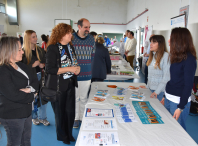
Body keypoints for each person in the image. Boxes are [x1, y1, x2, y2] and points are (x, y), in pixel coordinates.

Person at [46, 23, 80, 144]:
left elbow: (74, 63)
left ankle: (69, 133)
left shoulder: (70, 47)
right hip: (58, 86)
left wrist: (77, 68)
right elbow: (50, 69)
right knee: (60, 113)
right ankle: (62, 136)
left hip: (70, 83)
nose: (71, 35)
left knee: (70, 112)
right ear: (61, 35)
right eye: (69, 33)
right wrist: (70, 69)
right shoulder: (53, 48)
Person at [0, 37, 38, 145]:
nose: (22, 52)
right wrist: (33, 95)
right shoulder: (3, 70)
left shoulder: (21, 66)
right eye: (19, 49)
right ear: (9, 51)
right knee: (14, 143)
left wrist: (29, 89)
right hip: (13, 115)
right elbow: (14, 95)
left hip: (26, 112)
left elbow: (35, 81)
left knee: (26, 141)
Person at [164, 28, 197, 130]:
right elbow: (174, 80)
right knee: (168, 127)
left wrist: (180, 107)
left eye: (171, 38)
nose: (169, 40)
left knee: (178, 130)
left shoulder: (190, 59)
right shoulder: (176, 56)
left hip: (178, 102)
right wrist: (165, 96)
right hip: (169, 98)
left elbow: (188, 85)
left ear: (179, 40)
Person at [22, 30, 50, 126]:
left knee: (43, 97)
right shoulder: (23, 52)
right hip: (30, 78)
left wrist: (43, 65)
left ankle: (43, 117)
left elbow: (46, 61)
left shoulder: (40, 50)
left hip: (41, 77)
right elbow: (20, 67)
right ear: (28, 38)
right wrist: (31, 66)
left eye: (36, 36)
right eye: (33, 37)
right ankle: (34, 117)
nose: (36, 38)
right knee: (34, 99)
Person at [72, 18, 95, 128]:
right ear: (79, 27)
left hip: (87, 74)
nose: (88, 29)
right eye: (86, 27)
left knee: (84, 97)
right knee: (76, 98)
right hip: (74, 75)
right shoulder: (71, 38)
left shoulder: (91, 39)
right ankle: (76, 118)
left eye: (89, 27)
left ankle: (83, 117)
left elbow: (93, 55)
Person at [146, 35, 170, 102]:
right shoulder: (152, 55)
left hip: (160, 92)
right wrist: (147, 86)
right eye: (150, 42)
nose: (150, 44)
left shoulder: (166, 56)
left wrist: (157, 91)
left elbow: (166, 77)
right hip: (151, 90)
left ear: (160, 44)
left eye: (153, 42)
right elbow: (150, 75)